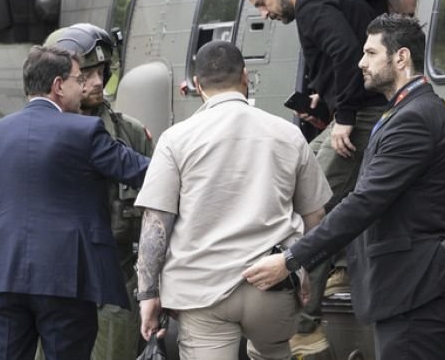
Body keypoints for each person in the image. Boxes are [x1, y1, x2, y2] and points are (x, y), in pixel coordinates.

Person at [243, 14, 445, 359]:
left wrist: (292, 258)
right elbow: (363, 197)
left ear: (401, 58)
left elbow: (365, 202)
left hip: (417, 287)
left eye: (370, 53)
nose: (361, 63)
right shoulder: (404, 113)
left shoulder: (414, 119)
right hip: (409, 289)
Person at [135, 41, 331, 359]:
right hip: (273, 284)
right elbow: (316, 216)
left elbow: (156, 224)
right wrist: (301, 267)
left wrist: (148, 294)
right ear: (245, 76)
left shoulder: (175, 139)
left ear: (197, 85)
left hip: (201, 292)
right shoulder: (288, 134)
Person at [0, 45, 151, 360]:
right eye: (77, 80)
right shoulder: (85, 132)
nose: (84, 86)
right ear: (58, 86)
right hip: (67, 282)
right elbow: (145, 172)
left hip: (0, 279)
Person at [238, 0, 386, 352]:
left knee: (312, 204)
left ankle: (304, 323)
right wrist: (326, 96)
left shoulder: (314, 5)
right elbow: (343, 54)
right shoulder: (323, 0)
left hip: (366, 113)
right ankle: (335, 270)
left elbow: (345, 52)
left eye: (262, 2)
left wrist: (347, 114)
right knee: (310, 190)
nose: (265, 14)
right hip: (357, 108)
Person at [44, 23, 154, 359]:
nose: (95, 82)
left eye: (100, 72)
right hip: (51, 285)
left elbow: (156, 211)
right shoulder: (32, 134)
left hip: (116, 283)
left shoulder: (131, 134)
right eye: (86, 73)